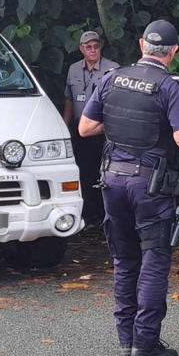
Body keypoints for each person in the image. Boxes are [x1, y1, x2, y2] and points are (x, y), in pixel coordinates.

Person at [78, 19, 179, 356]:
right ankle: (146, 346)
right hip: (150, 186)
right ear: (174, 51)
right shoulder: (170, 86)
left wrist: (119, 123)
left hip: (112, 182)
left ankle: (126, 340)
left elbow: (85, 128)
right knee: (154, 261)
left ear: (141, 44)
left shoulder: (112, 78)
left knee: (124, 259)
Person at [62, 31, 119, 226]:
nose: (93, 50)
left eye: (95, 46)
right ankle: (88, 216)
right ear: (81, 49)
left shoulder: (112, 69)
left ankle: (107, 217)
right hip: (80, 130)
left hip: (103, 130)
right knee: (84, 173)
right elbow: (69, 98)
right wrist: (65, 126)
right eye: (88, 47)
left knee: (106, 173)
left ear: (100, 48)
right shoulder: (74, 69)